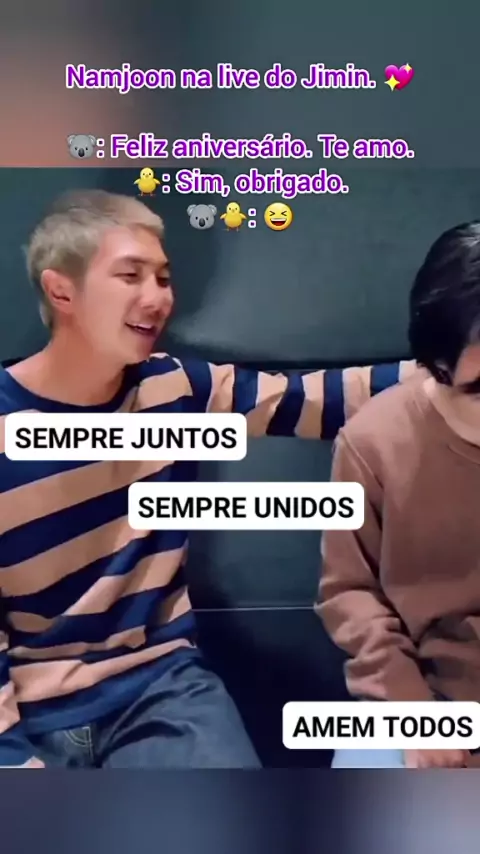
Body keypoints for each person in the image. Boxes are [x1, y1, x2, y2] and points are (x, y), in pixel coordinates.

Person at [0, 190, 417, 769]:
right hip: (28, 710)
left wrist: (455, 363)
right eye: (130, 275)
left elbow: (317, 400)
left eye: (164, 278)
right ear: (61, 291)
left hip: (159, 687)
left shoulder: (173, 388)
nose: (157, 297)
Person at [317, 221, 480, 770]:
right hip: (423, 692)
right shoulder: (373, 442)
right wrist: (414, 713)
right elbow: (350, 595)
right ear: (437, 367)